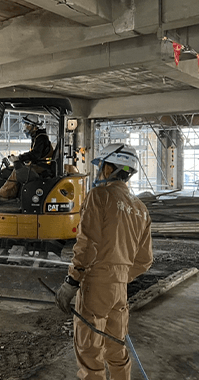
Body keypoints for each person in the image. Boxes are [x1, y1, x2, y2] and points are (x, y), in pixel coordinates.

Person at [55, 143, 153, 380]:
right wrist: (119, 277)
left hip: (96, 286)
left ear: (110, 168)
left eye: (103, 167)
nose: (100, 173)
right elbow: (145, 260)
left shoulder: (98, 196)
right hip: (120, 290)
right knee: (116, 347)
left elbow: (87, 244)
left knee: (90, 352)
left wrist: (71, 282)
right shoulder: (140, 208)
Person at [0, 115, 53, 201]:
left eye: (27, 125)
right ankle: (12, 195)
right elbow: (34, 155)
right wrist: (20, 158)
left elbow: (35, 155)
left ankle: (3, 195)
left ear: (34, 127)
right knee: (10, 169)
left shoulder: (41, 138)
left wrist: (19, 158)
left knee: (18, 171)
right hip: (38, 166)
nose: (25, 128)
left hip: (42, 168)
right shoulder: (37, 137)